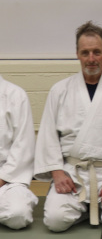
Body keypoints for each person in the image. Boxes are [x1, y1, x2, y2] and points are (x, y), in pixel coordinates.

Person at [34, 21, 102, 232]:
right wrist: (58, 174)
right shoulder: (60, 90)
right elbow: (48, 136)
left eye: (96, 52)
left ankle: (96, 208)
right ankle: (85, 209)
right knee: (55, 222)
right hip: (72, 174)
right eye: (85, 52)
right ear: (77, 53)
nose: (91, 59)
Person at [0, 76, 38, 229]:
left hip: (7, 178)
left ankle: (21, 198)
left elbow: (23, 145)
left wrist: (2, 179)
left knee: (18, 215)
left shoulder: (15, 94)